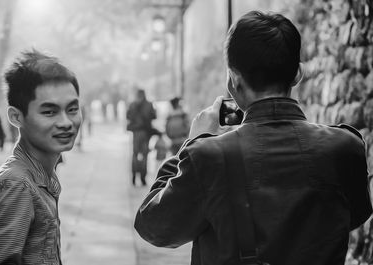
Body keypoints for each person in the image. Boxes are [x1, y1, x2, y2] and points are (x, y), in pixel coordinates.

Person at [134, 11, 372, 265]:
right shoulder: (345, 147)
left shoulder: (207, 156)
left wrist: (193, 142)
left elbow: (154, 226)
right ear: (297, 74)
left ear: (233, 80)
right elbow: (355, 215)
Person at [0, 50, 82, 264]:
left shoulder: (39, 175)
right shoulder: (15, 186)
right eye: (49, 112)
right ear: (16, 117)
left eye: (72, 109)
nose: (66, 122)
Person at [126, 88, 156, 186]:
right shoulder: (149, 104)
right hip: (145, 133)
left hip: (136, 132)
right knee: (144, 155)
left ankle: (134, 176)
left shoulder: (132, 104)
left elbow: (128, 116)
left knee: (135, 155)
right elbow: (154, 116)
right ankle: (143, 178)